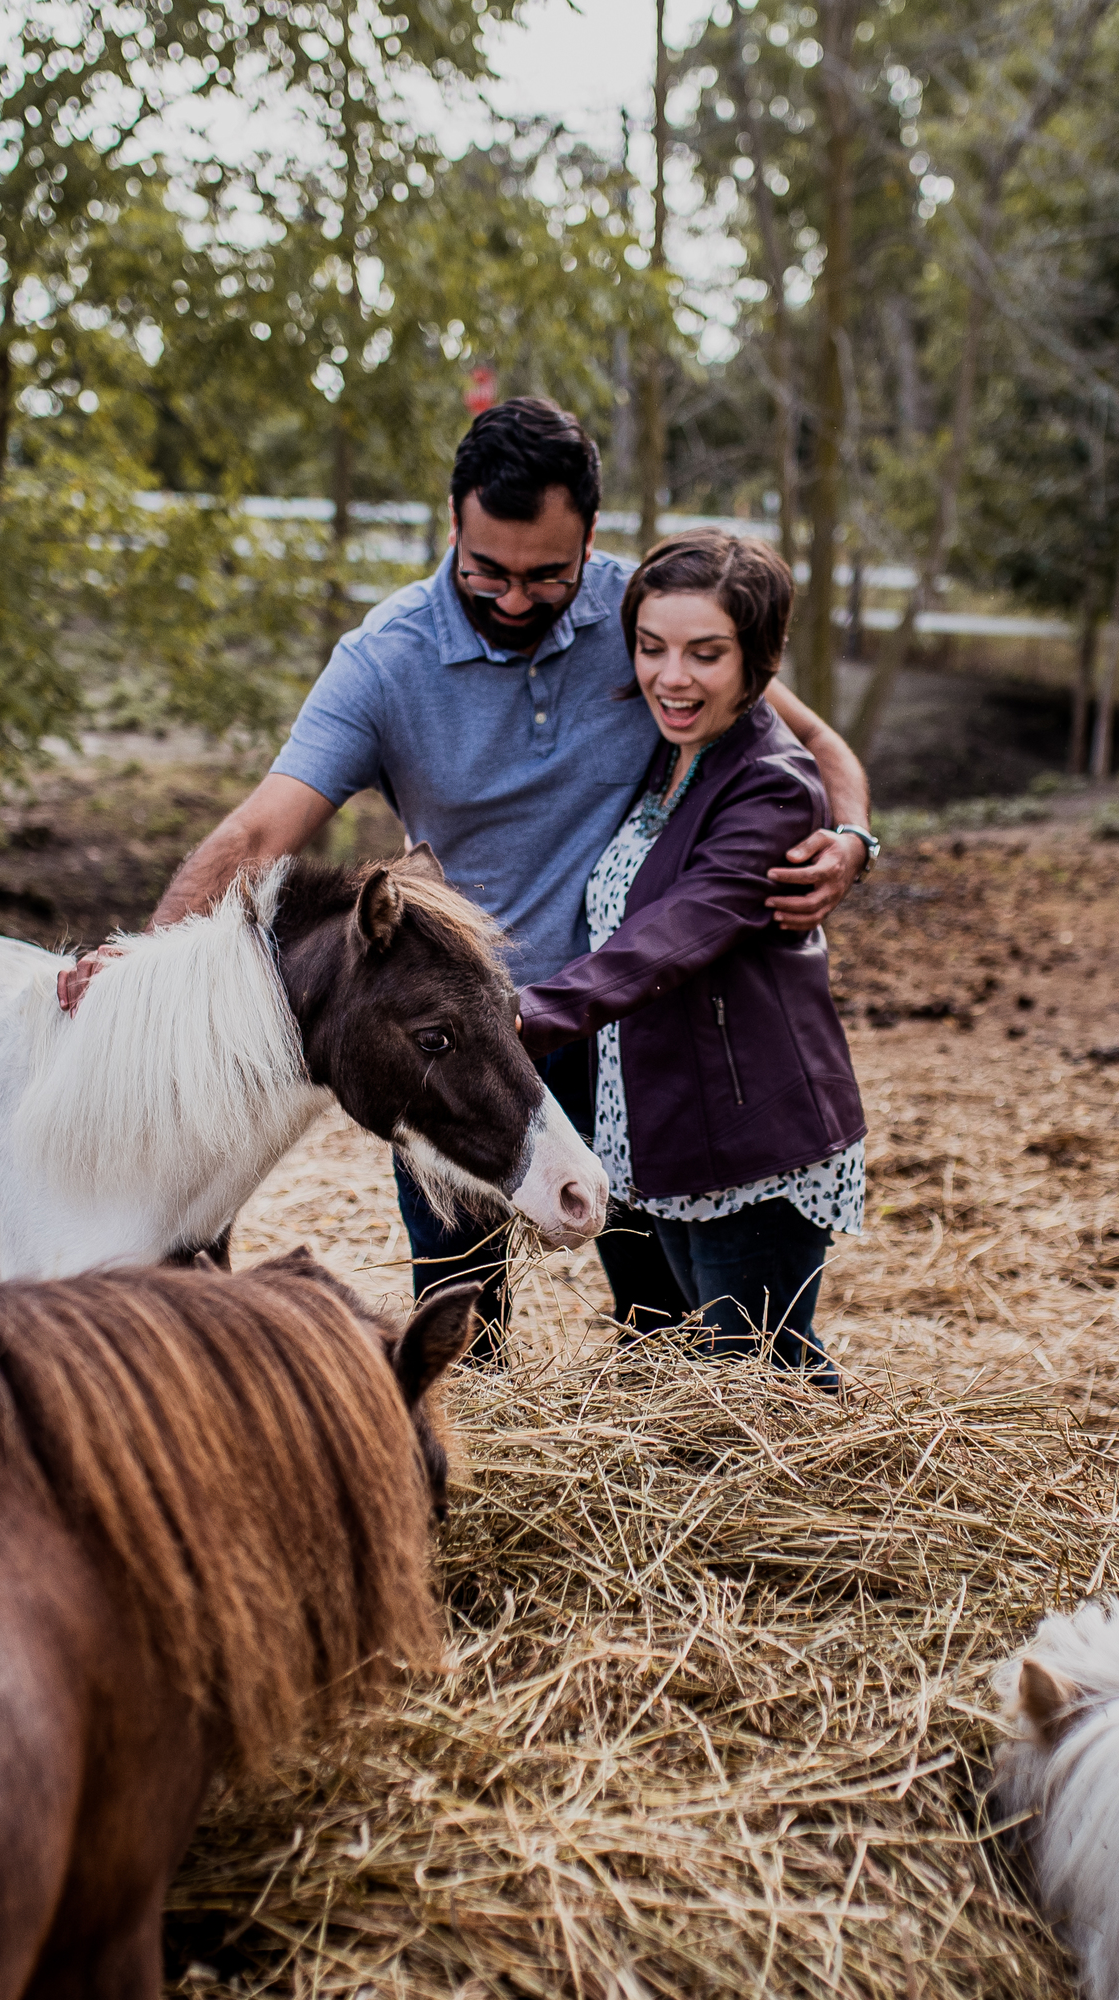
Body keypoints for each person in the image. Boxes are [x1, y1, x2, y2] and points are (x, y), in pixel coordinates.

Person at [101, 398, 879, 1342]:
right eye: (487, 573)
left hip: (631, 1033)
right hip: (457, 1036)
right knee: (462, 1319)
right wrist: (138, 972)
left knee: (667, 1322)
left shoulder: (651, 621)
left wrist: (850, 841)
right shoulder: (385, 661)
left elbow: (808, 739)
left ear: (591, 540)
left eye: (545, 575)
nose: (513, 598)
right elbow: (262, 833)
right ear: (454, 525)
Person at [513, 529, 864, 1382]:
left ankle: (859, 1516)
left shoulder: (771, 785)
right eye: (651, 648)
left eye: (706, 654)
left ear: (761, 660)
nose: (672, 677)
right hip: (660, 1126)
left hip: (750, 1137)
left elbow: (672, 934)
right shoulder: (673, 757)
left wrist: (526, 1017)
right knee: (704, 1380)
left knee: (763, 1380)